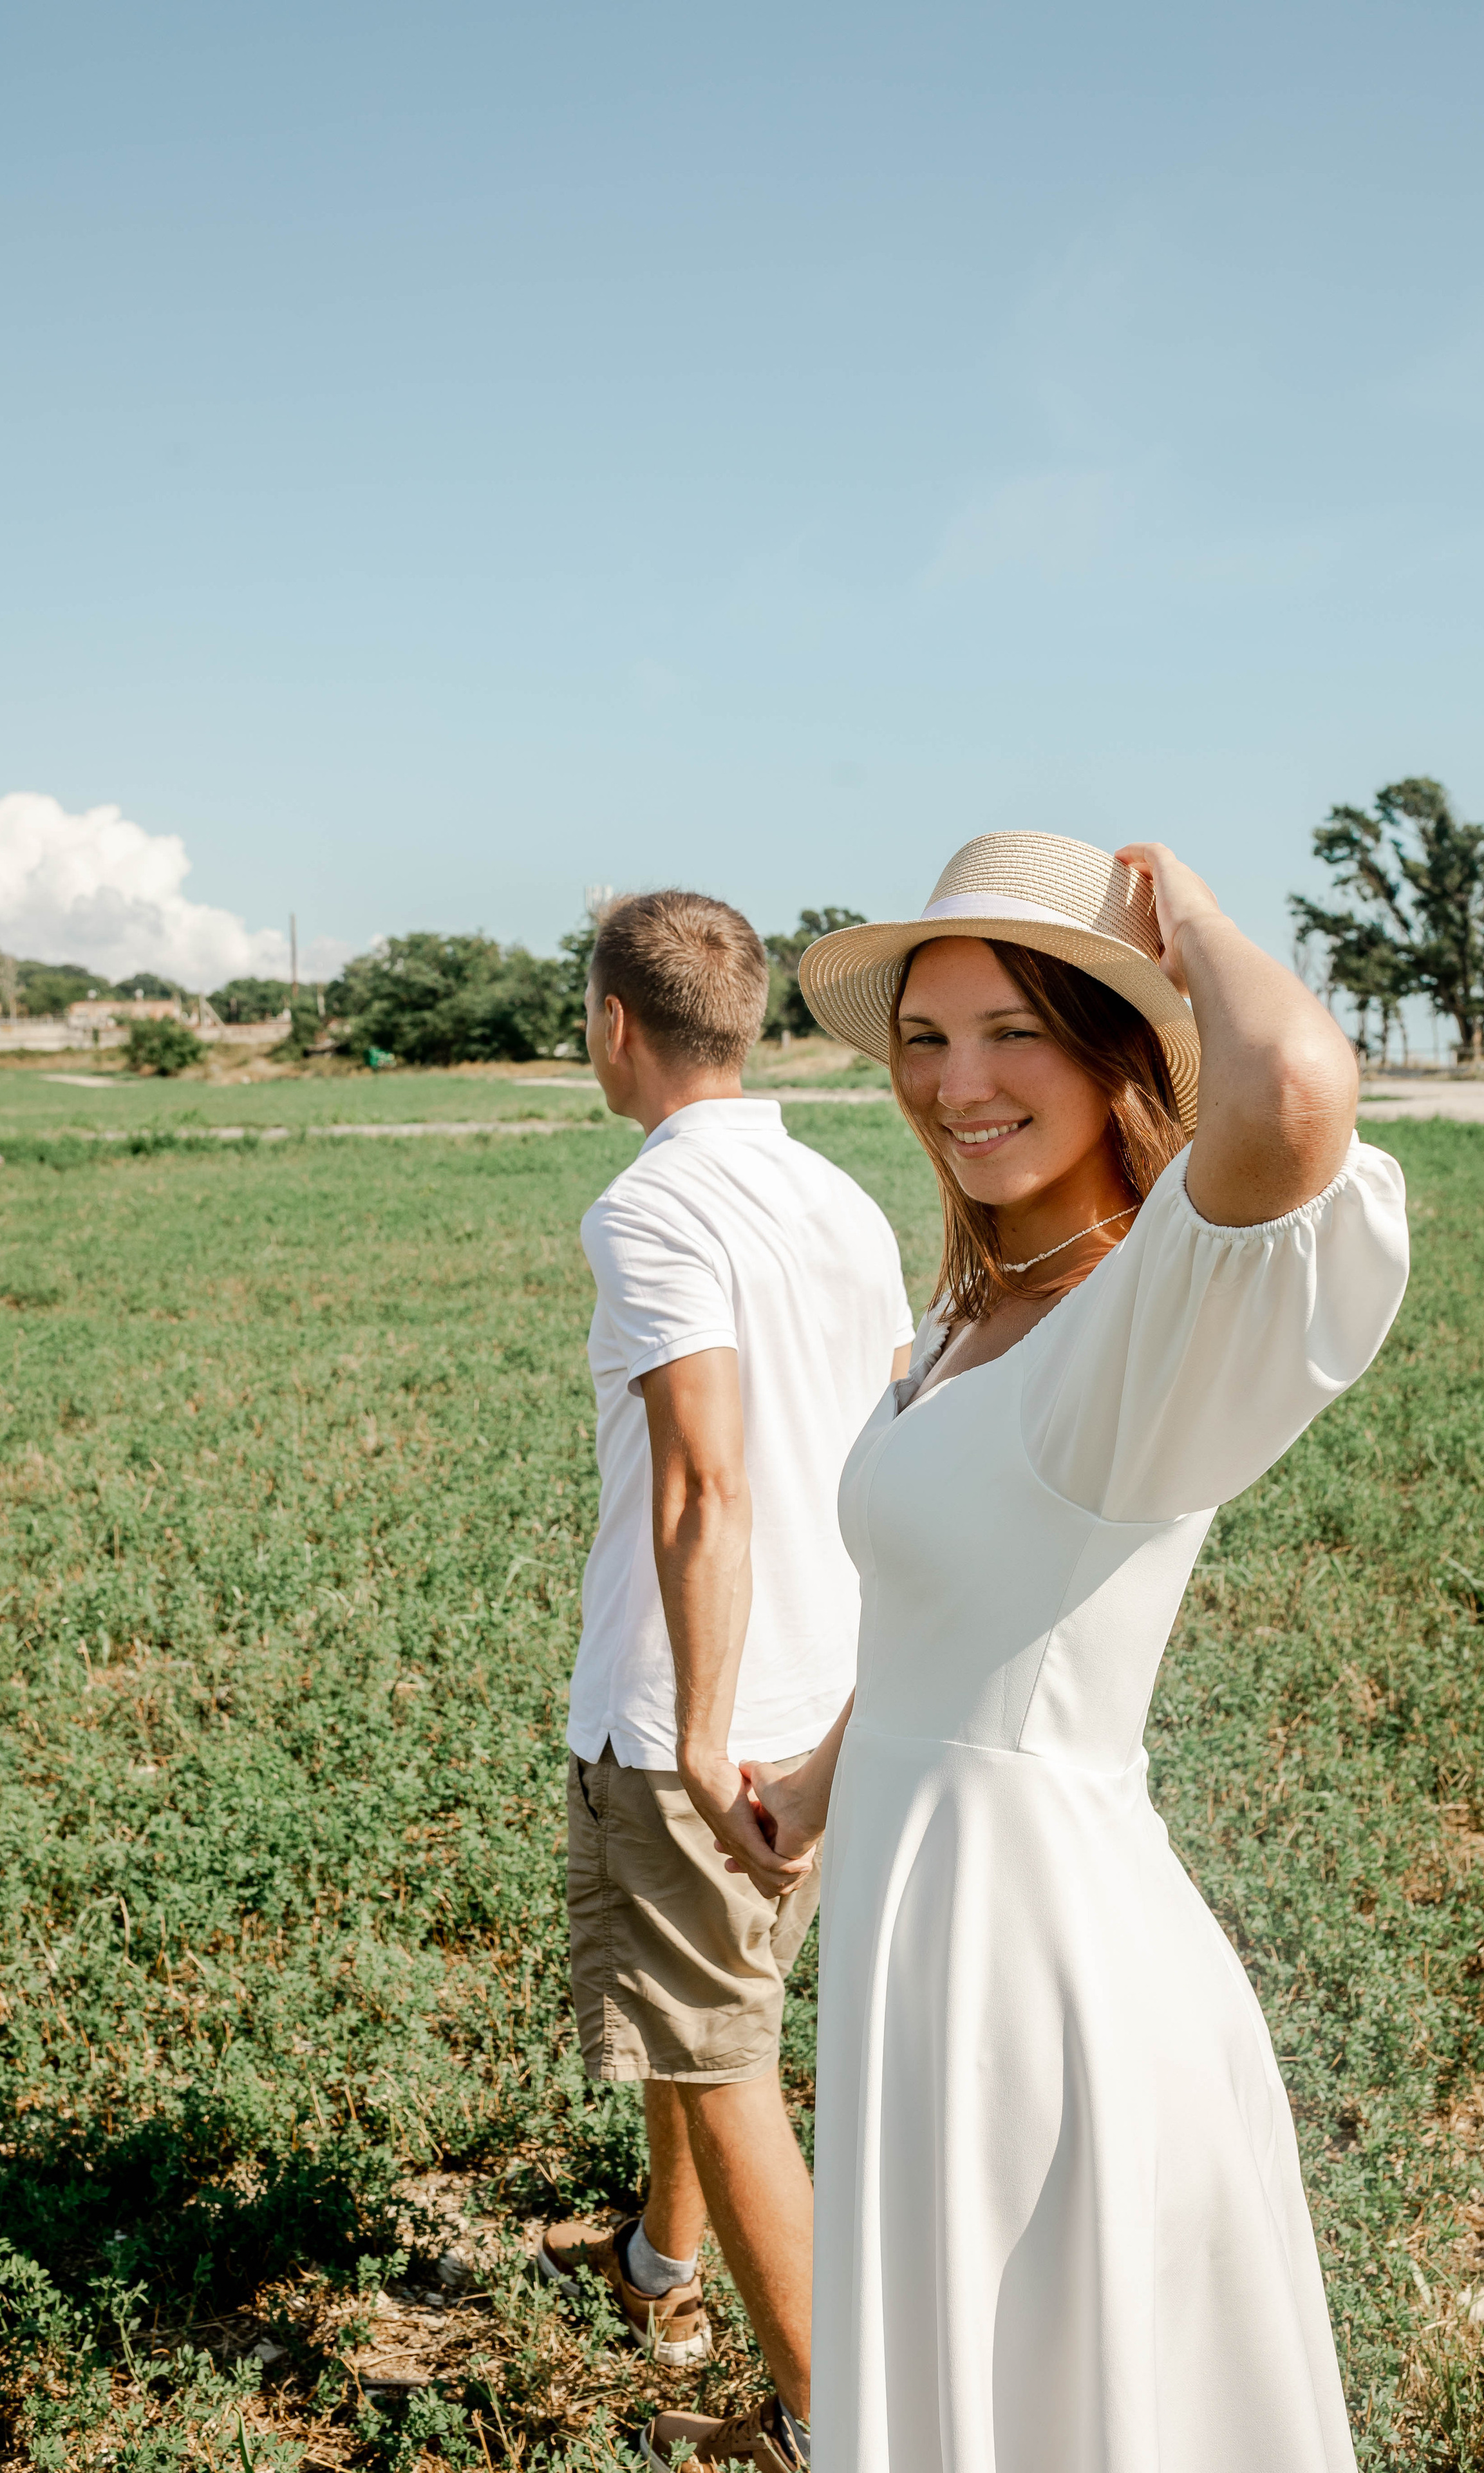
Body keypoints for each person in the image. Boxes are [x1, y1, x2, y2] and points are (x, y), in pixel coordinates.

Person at [726, 833, 1409, 2473]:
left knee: (1051, 2400)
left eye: (1013, 1031)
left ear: (1120, 1053)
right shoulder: (976, 1309)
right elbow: (948, 1613)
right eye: (924, 1037)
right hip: (922, 1918)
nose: (956, 1083)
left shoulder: (1140, 1310)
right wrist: (815, 1788)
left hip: (1034, 1959)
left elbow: (1298, 1097)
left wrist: (1193, 925)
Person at [534, 889, 914, 2473]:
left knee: (722, 2053)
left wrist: (693, 1731)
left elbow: (702, 1484)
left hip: (697, 1711)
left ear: (616, 1025)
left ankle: (832, 2424)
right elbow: (898, 1437)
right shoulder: (840, 1197)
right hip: (831, 1697)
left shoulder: (645, 1209)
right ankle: (660, 2267)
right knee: (709, 2012)